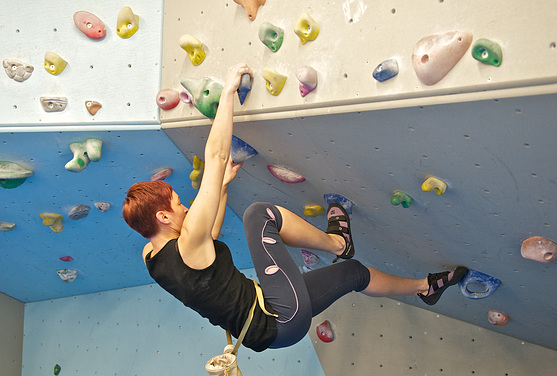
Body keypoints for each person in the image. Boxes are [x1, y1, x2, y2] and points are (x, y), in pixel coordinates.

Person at [122, 63, 468, 352]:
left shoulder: (149, 257)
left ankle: (426, 287)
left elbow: (207, 234)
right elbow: (215, 156)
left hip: (275, 330)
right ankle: (338, 243)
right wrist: (227, 92)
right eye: (179, 205)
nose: (186, 209)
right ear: (163, 217)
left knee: (354, 274)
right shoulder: (187, 244)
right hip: (279, 316)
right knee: (259, 214)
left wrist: (223, 187)